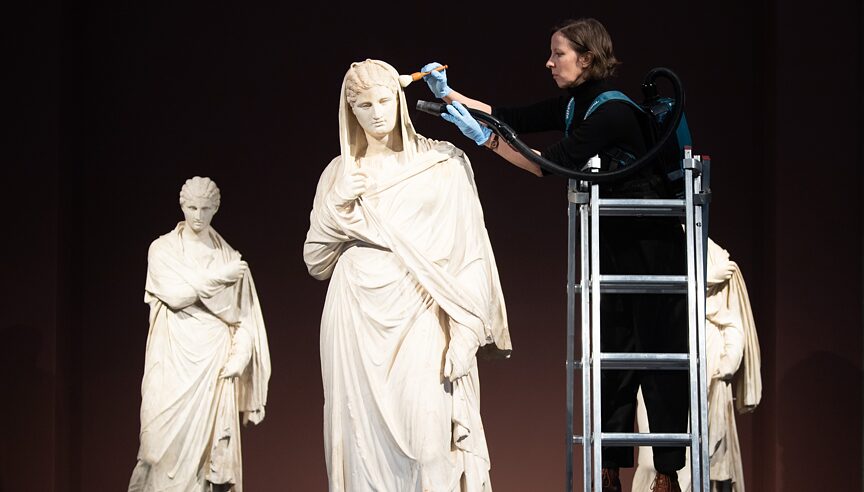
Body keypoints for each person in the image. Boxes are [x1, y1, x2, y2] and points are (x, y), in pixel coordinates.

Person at [423, 18, 689, 492]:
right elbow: (512, 117)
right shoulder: (577, 104)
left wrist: (483, 140)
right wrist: (450, 96)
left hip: (651, 242)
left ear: (586, 58)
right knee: (613, 353)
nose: (549, 62)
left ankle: (667, 472)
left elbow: (549, 164)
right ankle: (609, 469)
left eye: (558, 54)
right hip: (614, 237)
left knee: (653, 349)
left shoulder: (611, 112)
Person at [303, 59, 510, 491]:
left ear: (399, 99)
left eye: (384, 101)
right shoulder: (339, 174)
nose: (377, 113)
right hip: (355, 315)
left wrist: (466, 330)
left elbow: (470, 252)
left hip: (421, 306)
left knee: (428, 443)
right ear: (350, 111)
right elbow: (316, 260)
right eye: (364, 105)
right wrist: (337, 204)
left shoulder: (442, 164)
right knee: (359, 448)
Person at [128, 176, 271, 492]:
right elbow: (177, 296)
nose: (198, 215)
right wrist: (221, 277)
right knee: (157, 445)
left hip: (214, 363)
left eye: (205, 208)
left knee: (208, 458)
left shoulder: (228, 256)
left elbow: (245, 320)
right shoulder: (164, 250)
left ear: (215, 209)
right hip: (171, 361)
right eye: (192, 207)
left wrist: (239, 358)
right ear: (182, 205)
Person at [632, 238, 761, 492]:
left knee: (699, 460)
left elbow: (733, 324)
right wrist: (706, 278)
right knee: (651, 458)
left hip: (706, 379)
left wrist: (729, 362)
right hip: (659, 371)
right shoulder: (656, 253)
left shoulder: (714, 257)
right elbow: (654, 294)